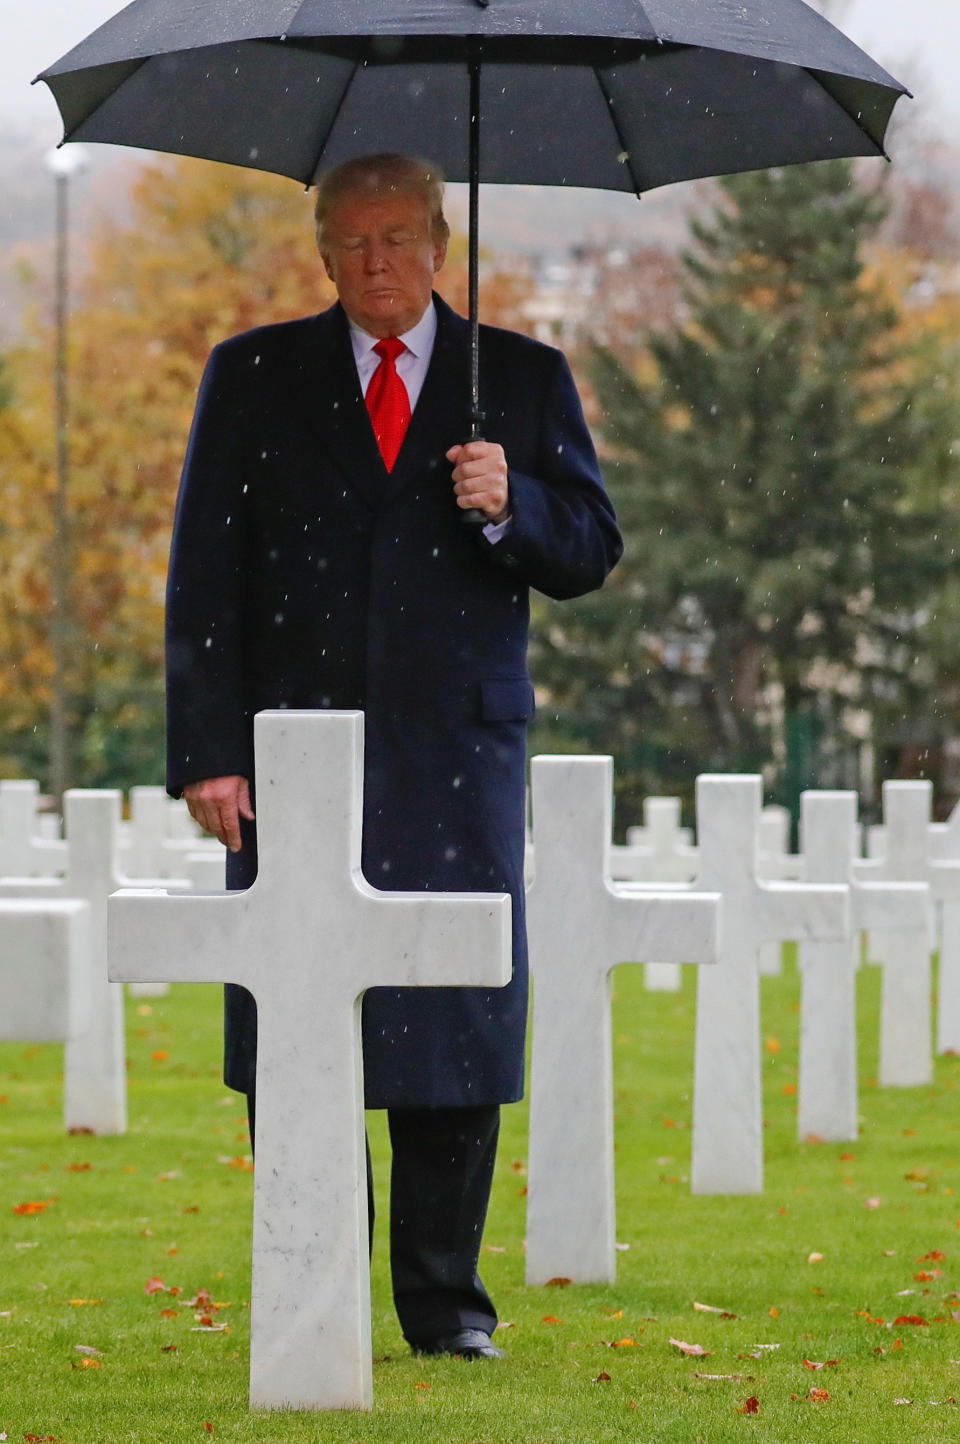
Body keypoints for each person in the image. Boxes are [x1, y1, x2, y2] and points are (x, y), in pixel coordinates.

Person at [165, 153, 622, 1361]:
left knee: (456, 1018)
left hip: (453, 755)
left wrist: (510, 500)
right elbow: (202, 579)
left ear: (438, 242)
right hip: (292, 761)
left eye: (399, 237)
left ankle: (443, 1303)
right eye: (352, 240)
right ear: (322, 250)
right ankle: (316, 1275)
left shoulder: (518, 380)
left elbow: (588, 549)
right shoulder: (252, 376)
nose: (377, 261)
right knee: (296, 1013)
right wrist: (210, 753)